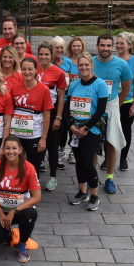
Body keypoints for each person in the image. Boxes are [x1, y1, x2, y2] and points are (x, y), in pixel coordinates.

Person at [0, 135, 41, 263]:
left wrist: (13, 211)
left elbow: (37, 197)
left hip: (21, 210)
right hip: (3, 209)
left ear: (20, 150)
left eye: (14, 148)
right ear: (3, 149)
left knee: (30, 214)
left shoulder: (28, 167)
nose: (11, 151)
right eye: (7, 148)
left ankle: (22, 243)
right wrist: (0, 212)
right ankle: (7, 232)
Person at [66, 52, 109, 211]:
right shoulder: (74, 85)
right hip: (75, 129)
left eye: (86, 65)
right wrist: (70, 125)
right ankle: (82, 192)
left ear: (91, 65)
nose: (83, 67)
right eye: (80, 65)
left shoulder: (100, 84)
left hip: (92, 129)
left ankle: (94, 195)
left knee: (87, 162)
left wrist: (86, 127)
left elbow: (101, 110)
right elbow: (67, 108)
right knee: (78, 161)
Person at [93, 34, 131, 194]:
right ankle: (92, 176)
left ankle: (109, 178)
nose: (105, 49)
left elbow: (127, 87)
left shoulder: (121, 64)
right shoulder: (91, 62)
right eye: (102, 45)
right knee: (92, 144)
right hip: (93, 107)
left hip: (111, 106)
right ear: (97, 46)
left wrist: (117, 104)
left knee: (111, 143)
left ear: (113, 47)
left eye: (109, 46)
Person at [9, 57, 53, 176]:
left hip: (34, 134)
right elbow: (10, 111)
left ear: (36, 70)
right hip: (16, 134)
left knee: (33, 168)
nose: (27, 72)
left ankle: (34, 192)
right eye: (24, 69)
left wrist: (43, 138)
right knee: (16, 166)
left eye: (30, 69)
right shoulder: (15, 88)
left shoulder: (44, 89)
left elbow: (46, 115)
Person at [36, 41, 68, 191]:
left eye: (46, 54)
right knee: (36, 144)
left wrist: (59, 117)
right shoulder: (33, 69)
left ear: (51, 55)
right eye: (41, 54)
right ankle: (34, 175)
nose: (43, 57)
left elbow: (61, 97)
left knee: (52, 146)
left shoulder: (58, 72)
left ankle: (53, 176)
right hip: (35, 113)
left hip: (53, 111)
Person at [115, 32, 134, 171]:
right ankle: (110, 157)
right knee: (110, 130)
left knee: (126, 130)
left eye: (122, 43)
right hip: (113, 101)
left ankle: (123, 158)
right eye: (117, 43)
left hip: (128, 101)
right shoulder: (112, 59)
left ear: (129, 45)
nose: (119, 46)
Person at [52, 36, 74, 170]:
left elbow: (69, 81)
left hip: (64, 99)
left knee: (63, 128)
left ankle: (61, 152)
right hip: (51, 100)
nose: (59, 50)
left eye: (61, 48)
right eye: (56, 48)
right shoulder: (47, 61)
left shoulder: (67, 63)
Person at [64, 36, 86, 165]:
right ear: (70, 47)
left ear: (82, 47)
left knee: (76, 124)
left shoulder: (84, 61)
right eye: (74, 46)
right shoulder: (67, 61)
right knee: (66, 125)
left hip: (79, 97)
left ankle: (73, 151)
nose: (76, 48)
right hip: (67, 95)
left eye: (78, 46)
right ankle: (62, 150)